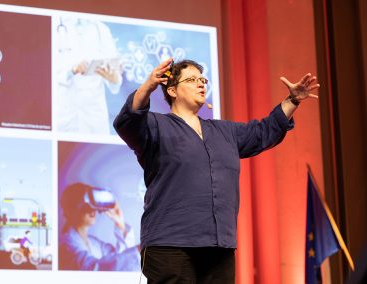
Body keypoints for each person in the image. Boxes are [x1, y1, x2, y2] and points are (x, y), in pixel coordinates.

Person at [113, 58, 319, 283]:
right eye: (192, 79)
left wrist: (292, 100)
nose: (201, 84)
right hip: (170, 244)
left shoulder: (224, 131)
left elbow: (263, 132)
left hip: (218, 245)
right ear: (172, 90)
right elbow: (128, 121)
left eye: (203, 79)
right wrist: (147, 87)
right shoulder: (155, 126)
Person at [56, 18, 122, 135]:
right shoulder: (56, 24)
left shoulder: (101, 29)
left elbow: (115, 79)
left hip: (94, 115)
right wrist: (72, 70)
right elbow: (48, 72)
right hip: (66, 113)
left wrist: (114, 79)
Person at [58, 182, 140, 271]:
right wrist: (141, 250)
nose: (92, 209)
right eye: (86, 205)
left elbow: (118, 258)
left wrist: (120, 224)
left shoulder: (94, 242)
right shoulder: (66, 244)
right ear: (71, 210)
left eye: (92, 203)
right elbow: (94, 269)